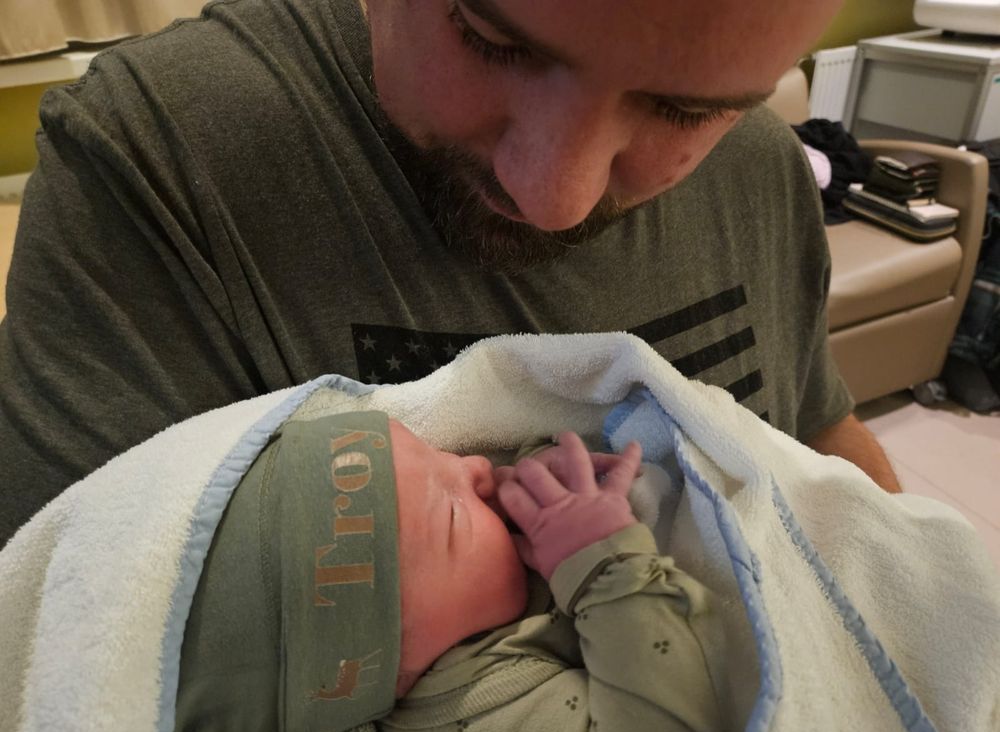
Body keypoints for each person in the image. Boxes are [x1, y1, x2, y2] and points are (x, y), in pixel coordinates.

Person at [0, 0, 900, 545]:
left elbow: (818, 432)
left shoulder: (762, 166)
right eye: (489, 38)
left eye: (687, 111)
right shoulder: (158, 161)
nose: (554, 197)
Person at [174, 410, 729, 732]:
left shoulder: (473, 576)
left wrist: (546, 477)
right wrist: (603, 565)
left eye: (441, 457)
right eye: (452, 517)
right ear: (392, 668)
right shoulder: (473, 709)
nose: (477, 468)